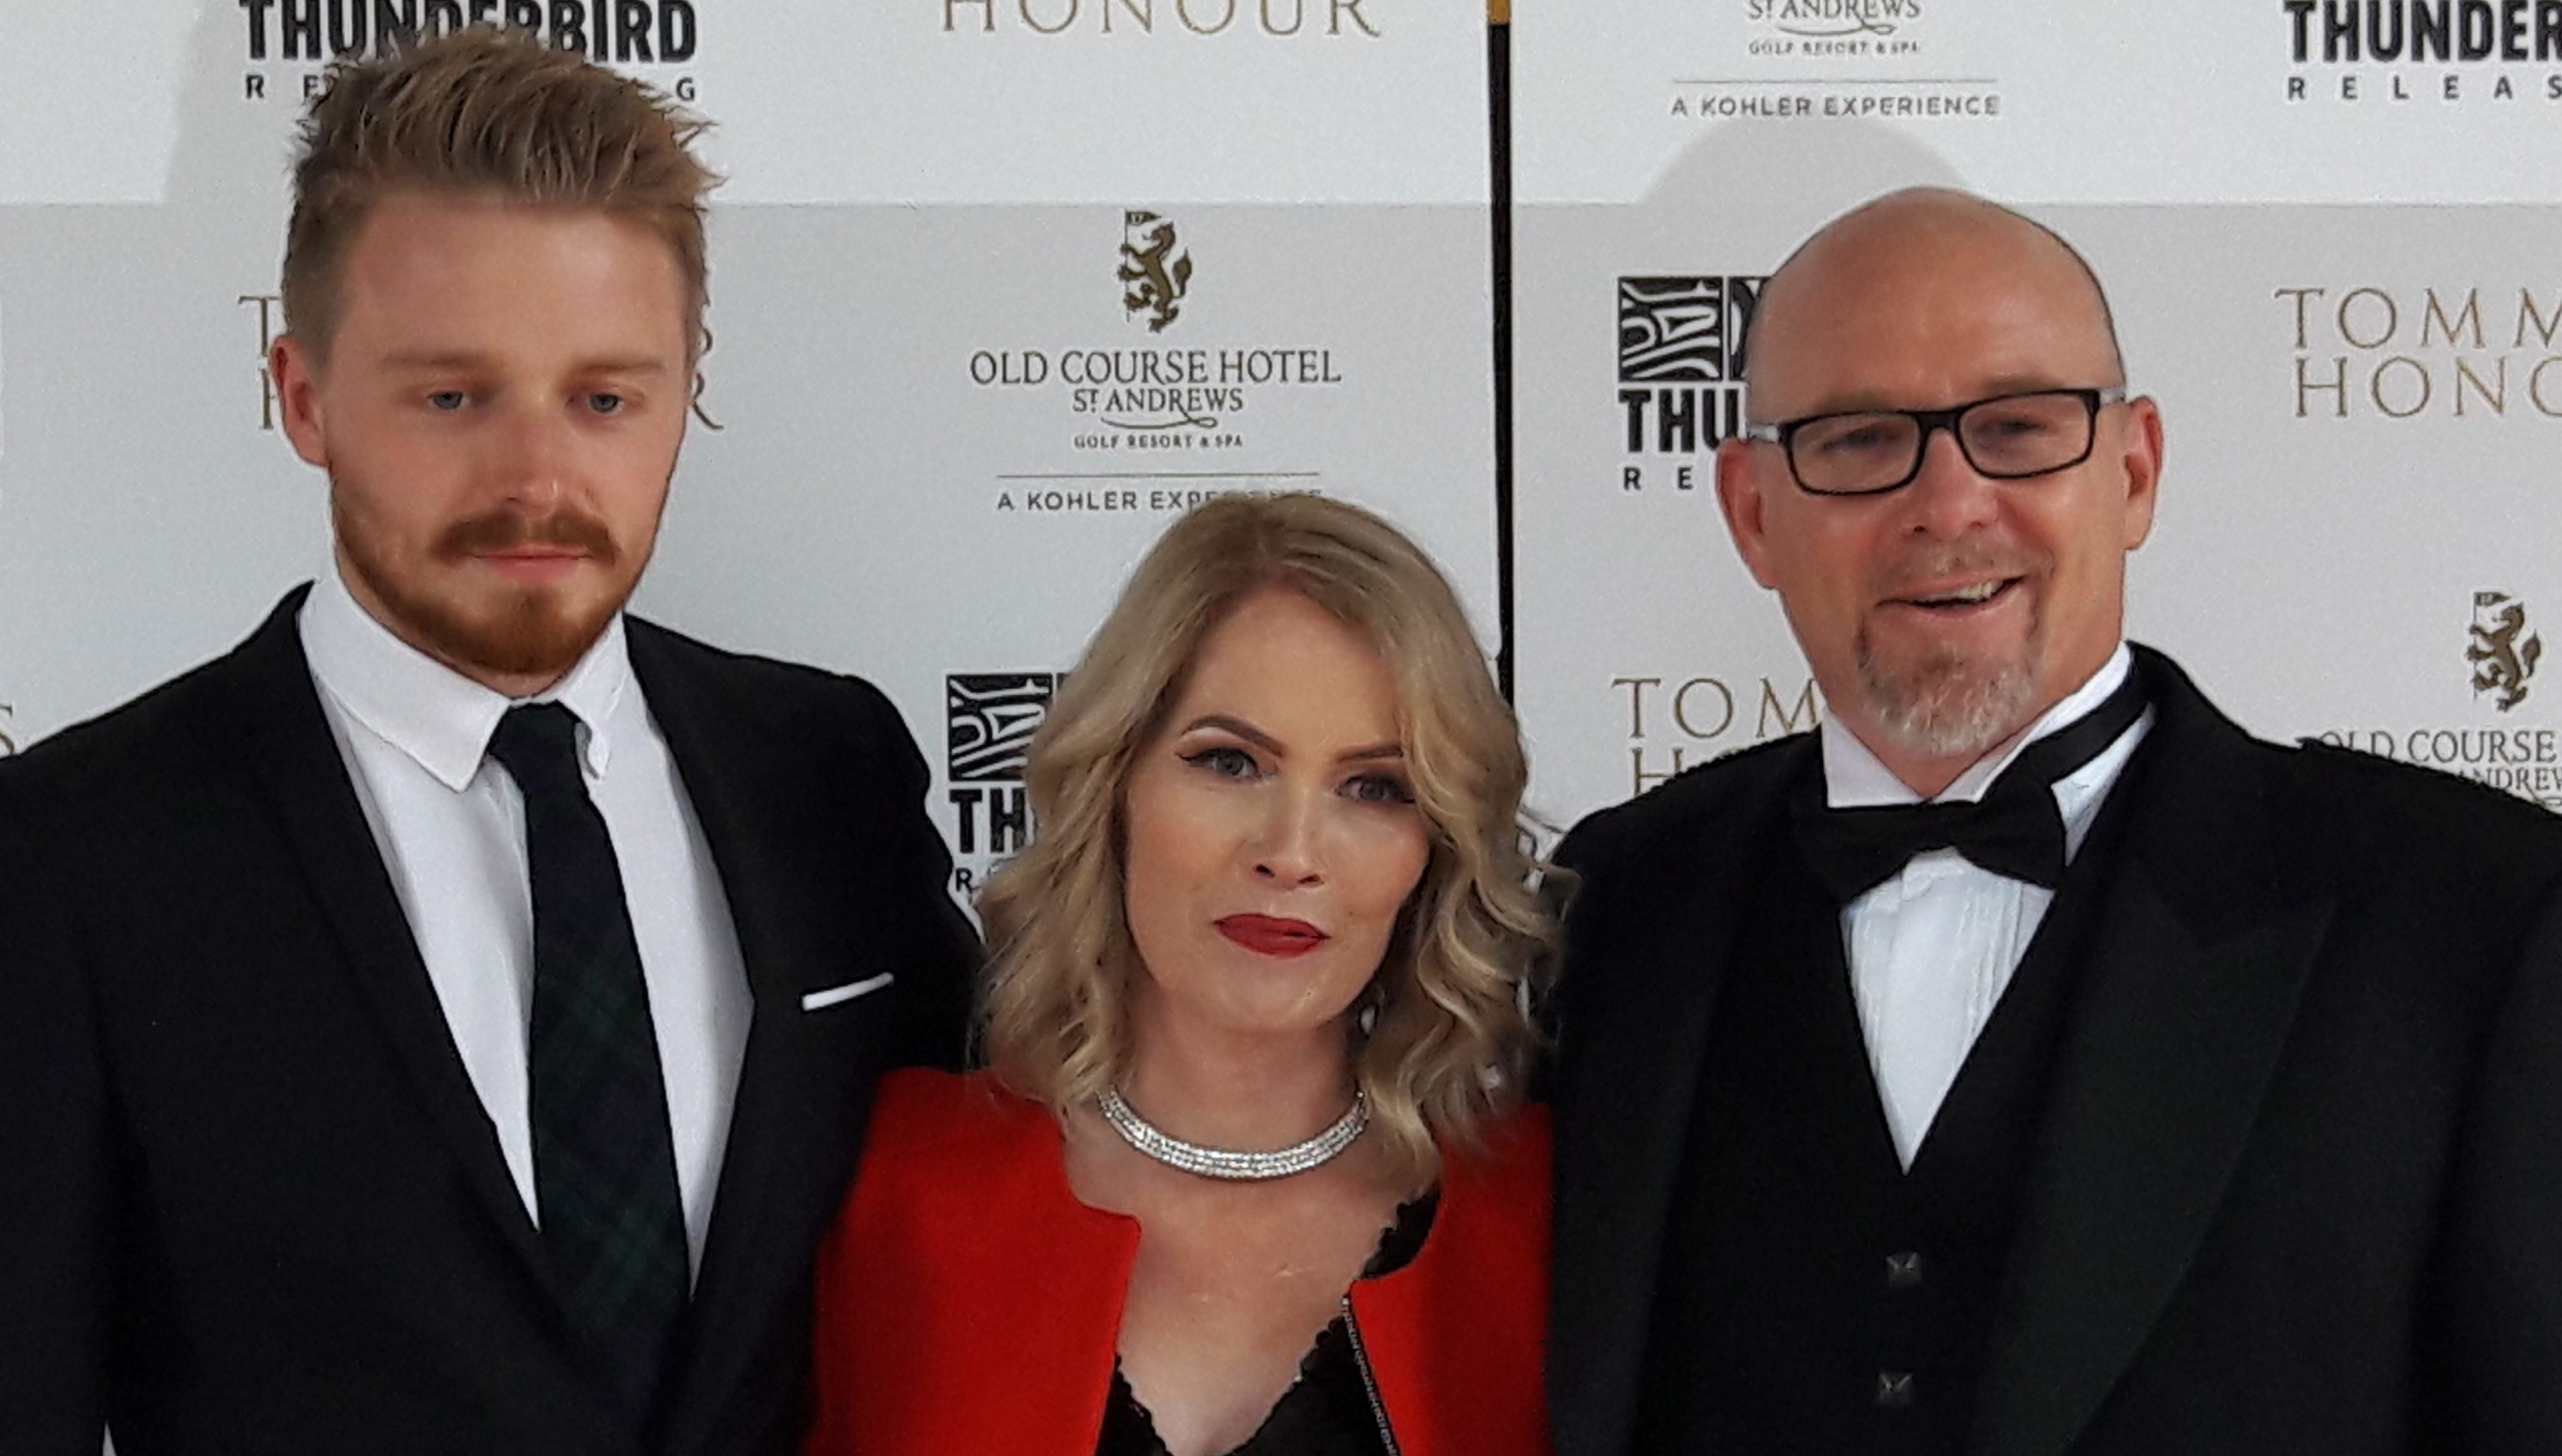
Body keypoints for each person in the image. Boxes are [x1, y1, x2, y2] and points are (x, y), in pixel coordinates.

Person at [0, 28, 974, 1455]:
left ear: (683, 393)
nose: (538, 479)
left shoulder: (826, 769)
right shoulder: (73, 854)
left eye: (604, 398)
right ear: (302, 396)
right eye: (452, 397)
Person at [1545, 187, 2562, 1456]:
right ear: (1754, 511)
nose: (1950, 503)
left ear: (2132, 472)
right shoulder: (1618, 899)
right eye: (1861, 441)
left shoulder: (2470, 915)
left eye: (2019, 429)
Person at [804, 493, 1555, 1456]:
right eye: (1230, 762)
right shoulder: (894, 1182)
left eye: (1375, 788)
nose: (1291, 853)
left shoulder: (1544, 1215)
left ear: (1434, 845)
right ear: (1114, 784)